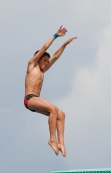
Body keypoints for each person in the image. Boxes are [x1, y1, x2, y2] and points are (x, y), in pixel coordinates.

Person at [24, 26, 77, 157]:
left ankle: (61, 143)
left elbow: (56, 56)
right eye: (45, 60)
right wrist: (55, 36)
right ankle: (52, 139)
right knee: (53, 109)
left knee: (61, 114)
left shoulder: (43, 71)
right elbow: (45, 48)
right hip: (29, 99)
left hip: (36, 101)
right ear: (38, 58)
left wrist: (64, 44)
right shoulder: (32, 65)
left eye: (48, 61)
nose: (47, 63)